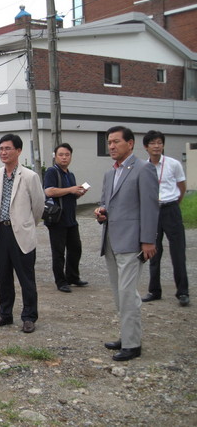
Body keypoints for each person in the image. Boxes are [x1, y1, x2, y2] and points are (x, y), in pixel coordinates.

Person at [95, 126, 159, 361]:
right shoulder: (110, 173)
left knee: (127, 293)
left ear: (130, 144)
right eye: (109, 142)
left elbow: (150, 208)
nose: (111, 146)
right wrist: (101, 212)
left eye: (116, 142)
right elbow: (106, 203)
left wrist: (148, 241)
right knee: (118, 294)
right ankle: (127, 334)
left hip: (133, 242)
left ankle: (133, 345)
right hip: (111, 241)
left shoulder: (144, 169)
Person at [0, 134, 44, 334]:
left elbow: (38, 206)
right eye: (1, 148)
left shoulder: (30, 176)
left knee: (26, 277)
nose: (4, 152)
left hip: (21, 232)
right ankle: (5, 314)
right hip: (1, 232)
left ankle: (29, 317)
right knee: (3, 276)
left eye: (8, 148)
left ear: (18, 151)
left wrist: (27, 224)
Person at [141, 130, 190, 307]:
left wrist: (174, 204)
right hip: (152, 212)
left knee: (178, 252)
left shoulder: (173, 164)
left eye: (159, 143)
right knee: (153, 252)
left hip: (170, 209)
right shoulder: (143, 167)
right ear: (146, 147)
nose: (156, 146)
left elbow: (181, 187)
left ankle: (182, 292)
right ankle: (154, 291)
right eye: (153, 143)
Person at [43, 143, 89, 293]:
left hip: (71, 219)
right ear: (55, 156)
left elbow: (68, 193)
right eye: (61, 154)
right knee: (58, 252)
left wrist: (78, 192)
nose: (64, 157)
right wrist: (71, 189)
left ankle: (73, 277)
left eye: (67, 154)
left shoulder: (70, 174)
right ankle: (61, 281)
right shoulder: (52, 172)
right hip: (57, 220)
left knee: (76, 248)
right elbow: (49, 191)